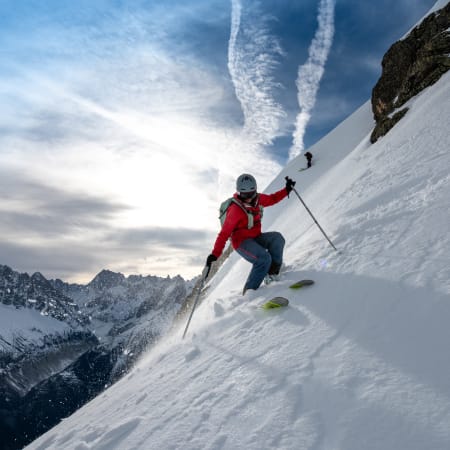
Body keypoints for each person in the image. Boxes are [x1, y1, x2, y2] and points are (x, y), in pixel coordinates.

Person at [206, 174, 296, 295]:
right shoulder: (235, 210)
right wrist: (214, 254)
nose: (248, 198)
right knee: (263, 259)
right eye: (244, 195)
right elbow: (224, 234)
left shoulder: (258, 199)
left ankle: (272, 274)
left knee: (277, 239)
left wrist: (286, 190)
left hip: (256, 237)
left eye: (251, 194)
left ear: (255, 191)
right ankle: (249, 294)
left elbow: (272, 199)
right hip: (241, 242)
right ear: (239, 193)